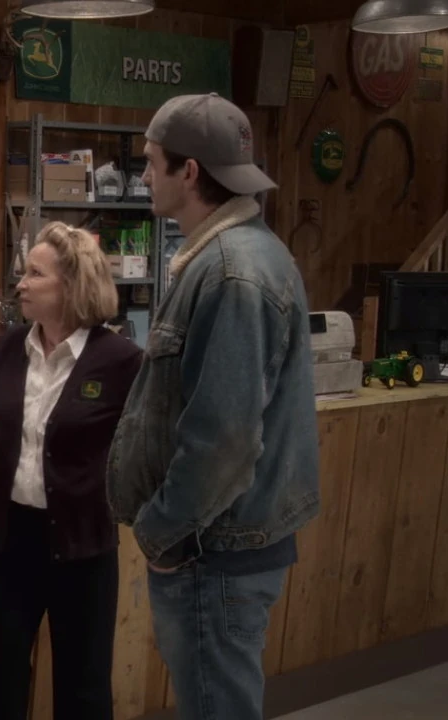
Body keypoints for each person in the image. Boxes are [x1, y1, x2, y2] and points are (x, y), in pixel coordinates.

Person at [105, 93, 320, 720]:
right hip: (218, 545)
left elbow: (223, 439)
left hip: (212, 550)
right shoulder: (235, 256)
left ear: (190, 171)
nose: (144, 176)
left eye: (152, 163)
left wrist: (161, 531)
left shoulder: (231, 272)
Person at [0, 222, 143, 720]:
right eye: (23, 273)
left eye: (35, 274)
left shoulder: (120, 360)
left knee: (83, 687)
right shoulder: (13, 344)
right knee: (3, 675)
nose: (21, 285)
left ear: (72, 286)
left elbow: (152, 441)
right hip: (10, 542)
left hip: (83, 547)